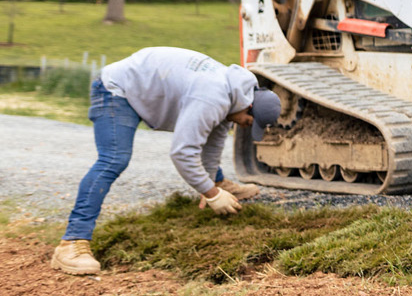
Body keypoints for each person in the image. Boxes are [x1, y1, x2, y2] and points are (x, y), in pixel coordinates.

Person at [51, 47, 282, 276]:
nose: (245, 126)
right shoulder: (212, 97)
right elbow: (183, 152)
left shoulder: (234, 96)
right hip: (116, 89)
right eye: (249, 121)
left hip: (145, 85)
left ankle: (218, 183)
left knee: (204, 158)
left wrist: (210, 185)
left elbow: (211, 148)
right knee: (113, 160)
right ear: (249, 105)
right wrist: (211, 194)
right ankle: (72, 242)